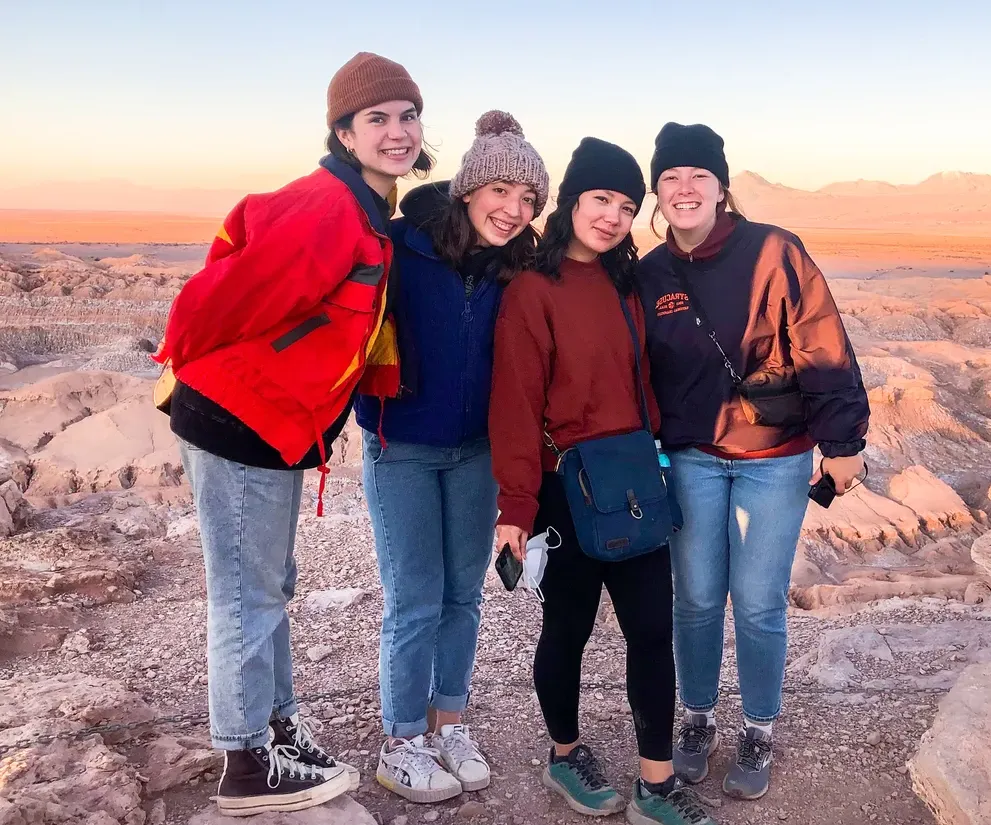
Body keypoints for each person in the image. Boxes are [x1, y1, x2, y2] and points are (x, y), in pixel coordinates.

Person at [152, 52, 430, 816]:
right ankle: (245, 763)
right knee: (246, 593)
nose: (397, 131)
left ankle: (276, 729)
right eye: (377, 119)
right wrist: (187, 360)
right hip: (241, 419)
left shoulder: (365, 210)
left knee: (268, 587)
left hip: (268, 424)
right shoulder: (329, 208)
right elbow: (219, 297)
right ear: (343, 131)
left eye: (407, 116)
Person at [637, 122, 870, 800]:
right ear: (658, 190)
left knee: (761, 602)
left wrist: (844, 442)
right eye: (671, 178)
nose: (684, 189)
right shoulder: (650, 273)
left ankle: (759, 724)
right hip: (691, 459)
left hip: (775, 458)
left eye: (697, 177)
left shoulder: (775, 250)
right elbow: (635, 367)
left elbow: (821, 343)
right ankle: (698, 716)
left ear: (720, 186)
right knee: (698, 598)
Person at [491, 138, 717, 825]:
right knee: (568, 628)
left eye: (627, 205)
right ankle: (565, 753)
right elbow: (515, 405)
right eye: (601, 199)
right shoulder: (533, 289)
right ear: (572, 201)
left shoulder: (627, 287)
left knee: (652, 630)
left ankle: (656, 785)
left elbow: (643, 384)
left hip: (633, 483)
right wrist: (516, 507)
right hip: (566, 488)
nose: (614, 215)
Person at [355, 111, 549, 803]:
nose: (514, 210)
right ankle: (401, 741)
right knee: (415, 599)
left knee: (463, 596)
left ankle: (448, 725)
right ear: (469, 189)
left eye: (529, 200)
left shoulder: (518, 268)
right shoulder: (404, 246)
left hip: (476, 452)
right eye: (502, 191)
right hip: (402, 445)